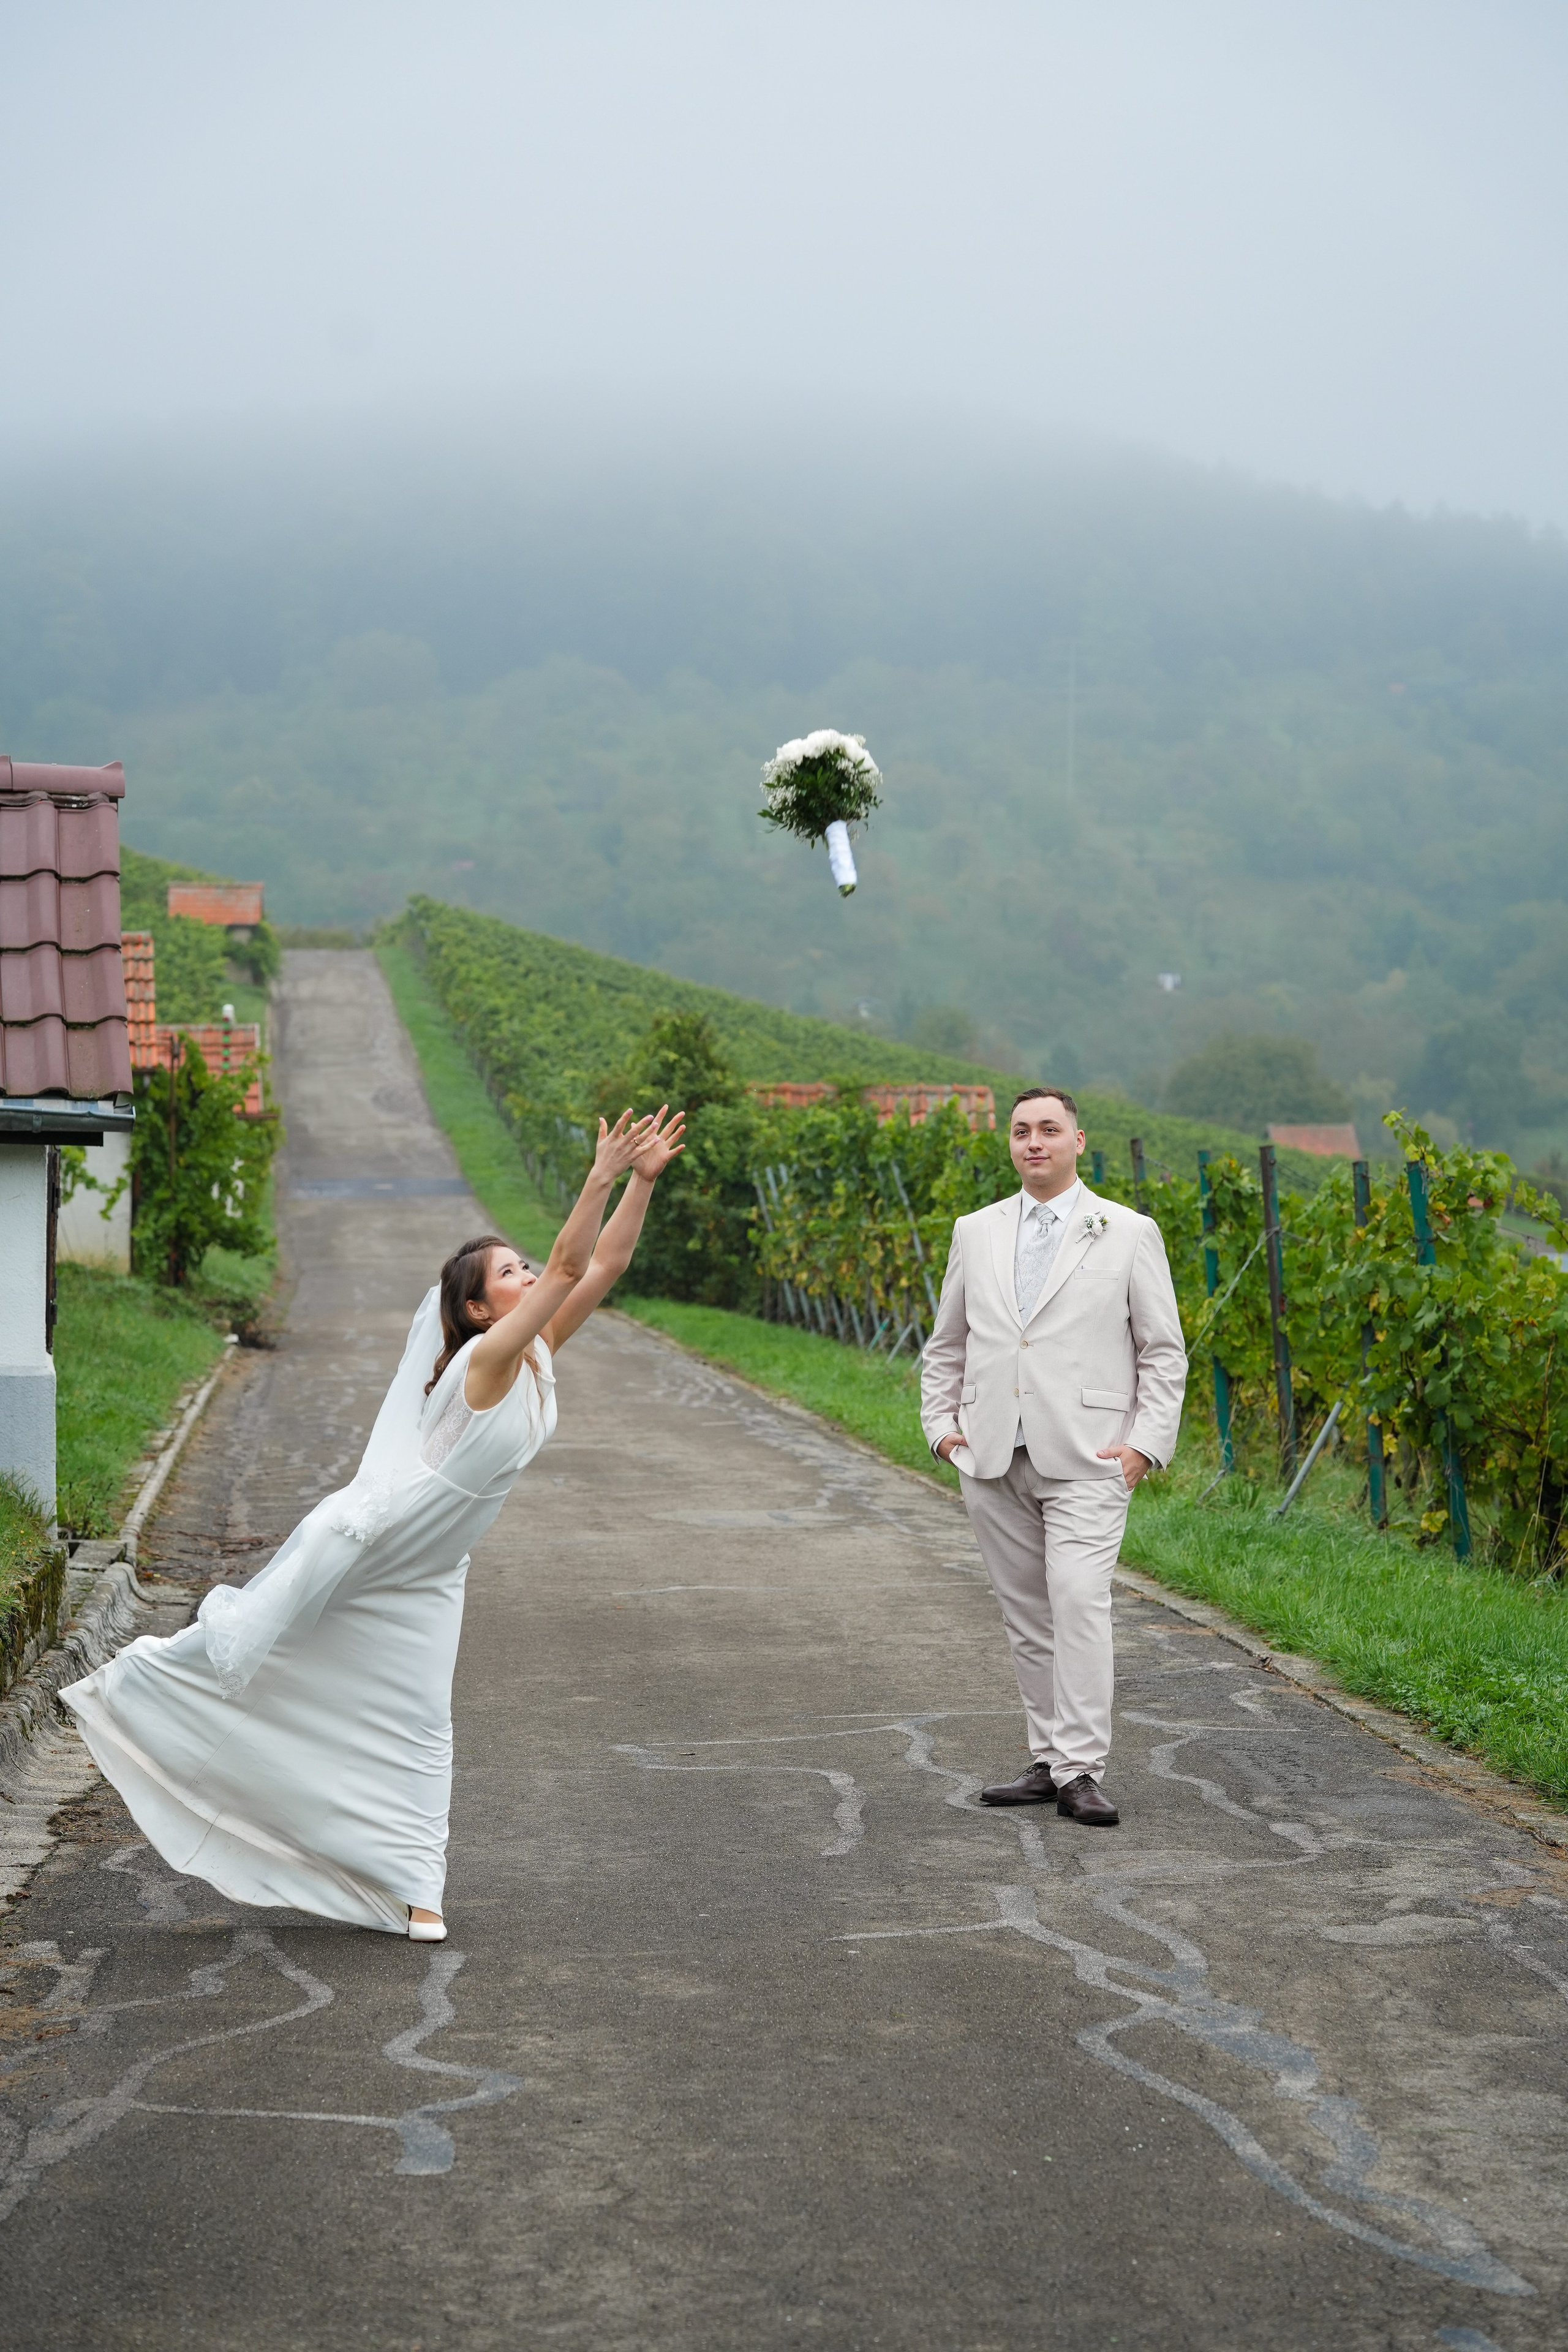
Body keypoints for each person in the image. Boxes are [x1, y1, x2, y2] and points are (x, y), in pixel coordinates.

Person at [62, 1106, 685, 1940]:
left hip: (435, 1568)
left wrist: (642, 1185)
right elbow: (574, 1261)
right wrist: (602, 1171)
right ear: (475, 1311)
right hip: (388, 1542)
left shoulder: (535, 1350)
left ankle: (419, 1892)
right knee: (266, 1654)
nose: (531, 1274)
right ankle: (135, 1689)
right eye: (511, 1272)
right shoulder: (488, 1361)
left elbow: (602, 1263)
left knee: (426, 1722)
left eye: (523, 1264)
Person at [919, 1088, 1186, 1824]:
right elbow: (948, 1342)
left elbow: (1162, 1351)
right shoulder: (974, 1230)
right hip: (992, 1451)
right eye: (1020, 1132)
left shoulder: (1128, 1231)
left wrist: (1144, 1446)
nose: (1033, 1142)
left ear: (1077, 1140)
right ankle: (1047, 1761)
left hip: (1090, 1455)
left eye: (1048, 1130)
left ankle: (1081, 1770)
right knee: (1026, 1613)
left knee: (1077, 1603)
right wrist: (940, 1426)